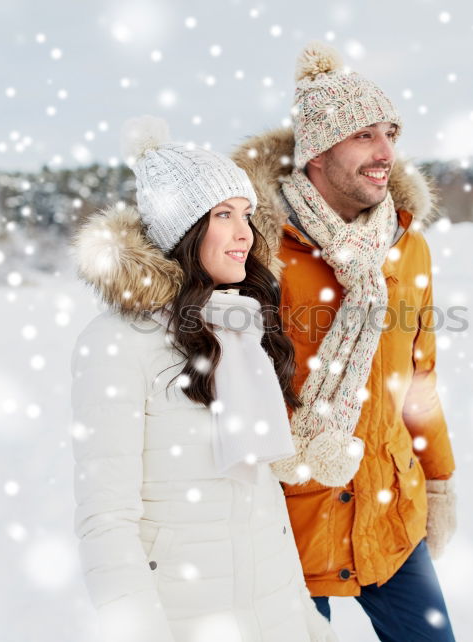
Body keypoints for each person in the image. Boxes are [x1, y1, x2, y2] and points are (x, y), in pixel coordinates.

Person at [68, 116, 336, 642]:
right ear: (183, 231)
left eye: (248, 215)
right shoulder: (115, 343)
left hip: (275, 614)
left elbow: (264, 501)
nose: (246, 234)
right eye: (223, 215)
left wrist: (307, 623)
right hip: (191, 617)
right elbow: (107, 519)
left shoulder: (242, 325)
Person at [230, 42, 458, 641]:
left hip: (392, 517)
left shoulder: (407, 247)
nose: (386, 153)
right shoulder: (256, 252)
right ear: (317, 153)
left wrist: (438, 479)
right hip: (289, 526)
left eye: (391, 132)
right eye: (363, 135)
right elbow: (224, 390)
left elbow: (418, 378)